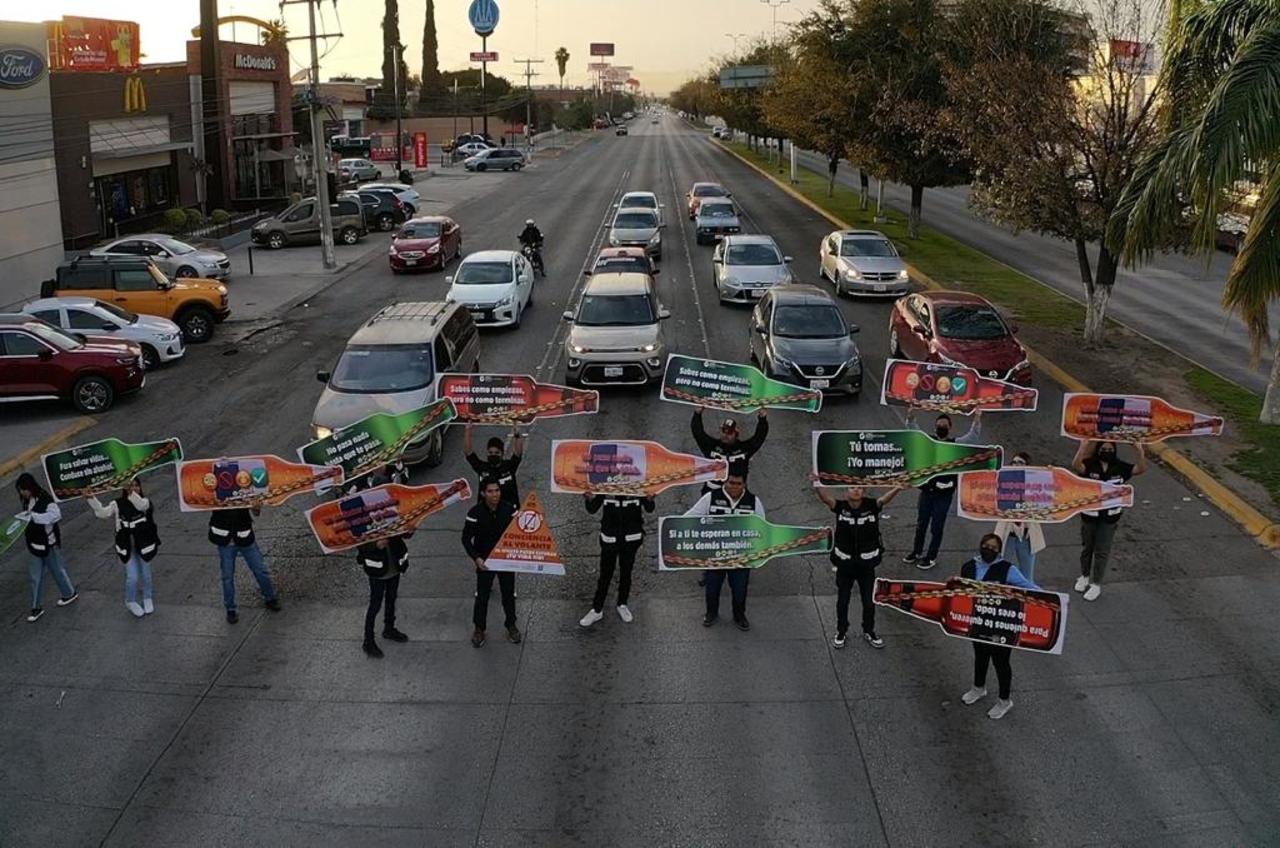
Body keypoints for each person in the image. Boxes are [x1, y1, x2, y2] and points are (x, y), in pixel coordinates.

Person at [958, 533, 1041, 720]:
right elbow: (961, 591)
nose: (989, 550)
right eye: (986, 545)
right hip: (979, 623)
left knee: (1001, 662)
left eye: (994, 548)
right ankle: (978, 688)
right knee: (980, 655)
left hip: (1002, 626)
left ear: (999, 551)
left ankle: (1005, 700)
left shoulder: (1007, 569)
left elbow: (1029, 587)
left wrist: (1056, 600)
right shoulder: (969, 567)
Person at [813, 478, 901, 649]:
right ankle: (841, 631)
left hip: (866, 566)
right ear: (846, 490)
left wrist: (898, 488)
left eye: (860, 488)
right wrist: (817, 483)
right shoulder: (841, 507)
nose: (856, 490)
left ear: (864, 491)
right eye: (853, 487)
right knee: (843, 601)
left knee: (869, 602)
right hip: (845, 566)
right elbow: (826, 499)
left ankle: (869, 630)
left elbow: (884, 499)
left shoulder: (871, 506)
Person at [902, 409, 984, 570]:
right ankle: (916, 552)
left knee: (937, 527)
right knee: (921, 524)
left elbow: (973, 437)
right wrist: (910, 415)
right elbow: (913, 430)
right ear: (934, 428)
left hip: (943, 496)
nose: (941, 428)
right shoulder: (928, 441)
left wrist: (977, 418)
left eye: (944, 426)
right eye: (939, 425)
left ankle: (931, 557)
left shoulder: (956, 445)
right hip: (927, 492)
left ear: (950, 428)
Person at [685, 472, 764, 631]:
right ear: (725, 483)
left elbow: (762, 528)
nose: (734, 487)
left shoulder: (754, 501)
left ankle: (739, 615)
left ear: (744, 485)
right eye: (731, 483)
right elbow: (689, 518)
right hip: (715, 557)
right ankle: (711, 613)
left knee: (740, 590)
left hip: (741, 558)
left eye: (738, 484)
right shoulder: (710, 498)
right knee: (712, 589)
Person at [1072, 439, 1147, 601]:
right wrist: (1083, 446)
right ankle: (1084, 576)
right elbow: (1076, 465)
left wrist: (1139, 450)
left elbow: (1140, 468)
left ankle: (1096, 584)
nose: (1107, 451)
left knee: (1102, 551)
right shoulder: (1090, 465)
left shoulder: (1120, 467)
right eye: (1103, 448)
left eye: (1110, 449)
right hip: (1090, 516)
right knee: (1087, 548)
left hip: (1109, 518)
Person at [579, 492, 655, 627]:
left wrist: (650, 499)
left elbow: (649, 508)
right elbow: (592, 509)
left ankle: (622, 604)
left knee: (626, 573)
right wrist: (589, 499)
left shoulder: (638, 484)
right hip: (610, 538)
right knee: (605, 575)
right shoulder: (605, 484)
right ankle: (597, 609)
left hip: (631, 539)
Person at [88, 478, 160, 618]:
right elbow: (103, 513)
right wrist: (92, 499)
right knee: (132, 577)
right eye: (129, 486)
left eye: (136, 486)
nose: (133, 488)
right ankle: (130, 600)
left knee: (146, 574)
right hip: (126, 546)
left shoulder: (145, 502)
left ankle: (147, 597)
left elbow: (140, 506)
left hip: (144, 545)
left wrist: (131, 493)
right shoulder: (117, 503)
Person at [463, 478, 521, 648]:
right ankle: (479, 629)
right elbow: (466, 539)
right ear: (483, 493)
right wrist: (476, 558)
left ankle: (511, 625)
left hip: (505, 561)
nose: (494, 494)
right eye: (490, 491)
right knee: (482, 596)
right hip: (485, 561)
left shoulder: (509, 509)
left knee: (508, 594)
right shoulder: (474, 513)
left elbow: (519, 533)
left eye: (497, 491)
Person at [15, 472, 77, 623]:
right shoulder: (27, 500)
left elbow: (56, 516)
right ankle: (36, 607)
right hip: (34, 545)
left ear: (30, 488)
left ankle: (69, 593)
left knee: (58, 571)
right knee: (35, 577)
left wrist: (34, 517)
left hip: (49, 544)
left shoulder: (46, 500)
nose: (22, 493)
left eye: (23, 490)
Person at [208, 507, 281, 624]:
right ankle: (230, 609)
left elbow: (256, 512)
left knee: (260, 570)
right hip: (225, 542)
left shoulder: (244, 491)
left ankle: (270, 598)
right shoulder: (215, 492)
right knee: (227, 577)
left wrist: (255, 507)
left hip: (244, 539)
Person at [991, 452, 1046, 582]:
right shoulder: (1003, 482)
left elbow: (1043, 502)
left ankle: (1026, 599)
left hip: (1027, 538)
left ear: (1028, 466)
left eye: (1020, 462)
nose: (1016, 465)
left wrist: (1049, 474)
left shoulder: (1035, 485)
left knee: (1027, 577)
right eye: (1014, 462)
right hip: (1007, 536)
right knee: (1003, 574)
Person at [690, 406, 769, 493]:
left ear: (736, 434)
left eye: (730, 432)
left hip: (736, 493)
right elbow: (698, 432)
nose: (726, 435)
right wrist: (697, 414)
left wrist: (762, 419)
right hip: (712, 491)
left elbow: (759, 437)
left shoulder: (744, 448)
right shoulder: (711, 446)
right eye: (724, 431)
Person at [357, 534, 411, 658]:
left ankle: (389, 629)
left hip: (394, 567)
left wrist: (409, 531)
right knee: (375, 605)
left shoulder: (392, 515)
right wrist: (375, 545)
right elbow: (358, 542)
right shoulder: (363, 519)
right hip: (377, 571)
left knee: (391, 598)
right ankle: (368, 641)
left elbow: (404, 533)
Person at [464, 424, 525, 507]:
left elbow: (518, 453)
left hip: (509, 511)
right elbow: (468, 452)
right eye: (490, 453)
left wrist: (517, 434)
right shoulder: (482, 468)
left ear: (502, 454)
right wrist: (468, 430)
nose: (493, 455)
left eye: (497, 453)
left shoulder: (509, 466)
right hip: (487, 513)